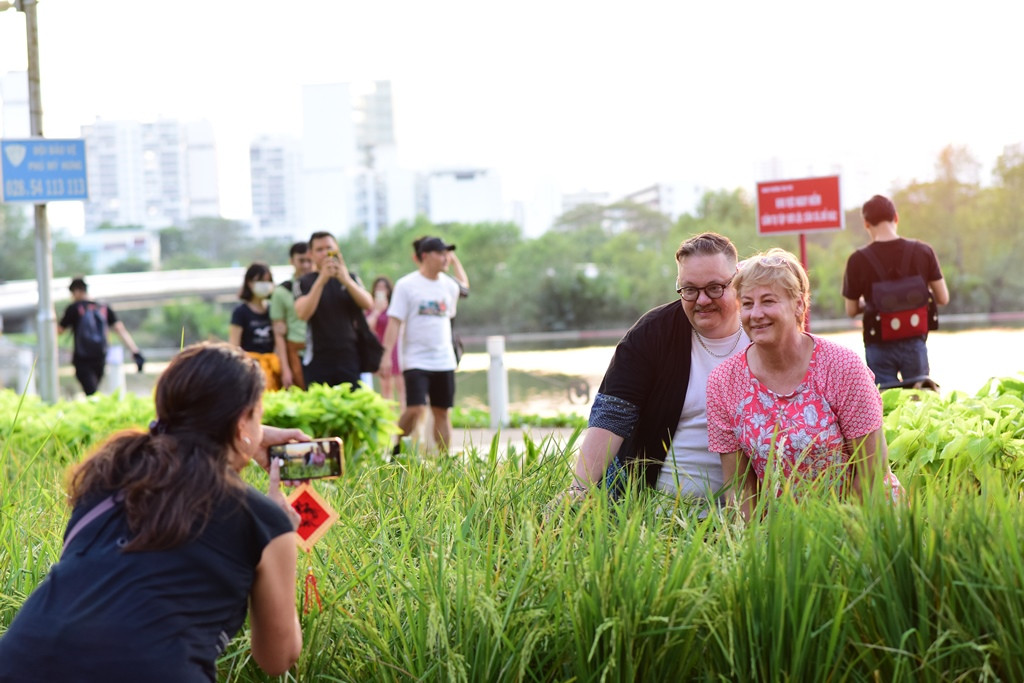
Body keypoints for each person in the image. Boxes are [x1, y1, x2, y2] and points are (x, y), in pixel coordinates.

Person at [0, 342, 305, 681]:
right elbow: (279, 658)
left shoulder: (108, 474)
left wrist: (237, 443)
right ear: (241, 423)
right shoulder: (263, 520)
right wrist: (285, 534)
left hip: (21, 661)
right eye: (258, 416)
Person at [708, 248, 903, 521]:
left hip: (863, 517)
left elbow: (871, 472)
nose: (756, 314)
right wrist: (751, 550)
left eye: (768, 301)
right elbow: (740, 488)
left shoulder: (842, 366)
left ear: (799, 304)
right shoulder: (724, 382)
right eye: (748, 304)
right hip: (784, 530)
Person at [567, 233, 749, 506]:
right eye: (689, 290)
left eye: (714, 288)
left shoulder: (761, 330)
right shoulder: (651, 334)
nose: (701, 301)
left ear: (738, 280)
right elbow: (612, 415)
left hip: (747, 511)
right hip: (655, 512)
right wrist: (577, 491)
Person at [842, 194, 949, 387]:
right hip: (914, 340)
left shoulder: (857, 260)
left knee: (885, 405)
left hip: (878, 342)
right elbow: (943, 297)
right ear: (896, 218)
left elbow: (850, 310)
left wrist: (871, 302)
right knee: (919, 403)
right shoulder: (923, 251)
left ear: (866, 224)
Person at [380, 236, 469, 453]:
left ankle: (444, 461)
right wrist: (385, 356)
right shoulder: (406, 285)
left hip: (444, 359)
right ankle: (397, 453)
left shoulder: (449, 285)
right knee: (416, 408)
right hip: (416, 359)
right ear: (425, 256)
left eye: (446, 253)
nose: (445, 257)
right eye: (440, 253)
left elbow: (465, 287)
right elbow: (394, 322)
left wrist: (456, 262)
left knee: (442, 411)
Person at [293, 232, 374, 388]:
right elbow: (302, 313)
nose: (325, 253)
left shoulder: (351, 277)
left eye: (329, 248)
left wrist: (345, 279)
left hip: (349, 356)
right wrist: (322, 279)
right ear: (311, 253)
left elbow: (368, 304)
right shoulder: (304, 282)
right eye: (319, 249)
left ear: (337, 249)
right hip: (318, 357)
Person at [57, 276, 145, 396]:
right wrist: (135, 351)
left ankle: (98, 412)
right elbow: (120, 329)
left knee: (92, 394)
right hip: (100, 357)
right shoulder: (103, 307)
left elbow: (59, 331)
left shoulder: (74, 308)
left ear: (77, 291)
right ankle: (99, 410)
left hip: (82, 358)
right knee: (93, 391)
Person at [229, 262, 281, 391]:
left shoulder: (273, 309)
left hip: (272, 366)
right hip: (250, 367)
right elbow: (234, 345)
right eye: (260, 280)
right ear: (249, 283)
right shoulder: (241, 312)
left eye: (267, 280)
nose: (265, 284)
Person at [270, 242, 314, 390]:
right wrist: (285, 368)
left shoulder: (322, 286)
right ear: (292, 261)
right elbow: (279, 333)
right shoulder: (282, 291)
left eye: (309, 260)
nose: (306, 265)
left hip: (322, 352)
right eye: (301, 261)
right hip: (296, 353)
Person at [366, 276, 406, 410]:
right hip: (381, 348)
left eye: (384, 288)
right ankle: (390, 421)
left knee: (402, 386)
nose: (381, 290)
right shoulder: (371, 308)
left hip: (397, 347)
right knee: (386, 386)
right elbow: (367, 328)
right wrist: (377, 311)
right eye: (378, 288)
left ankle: (404, 420)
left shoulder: (395, 306)